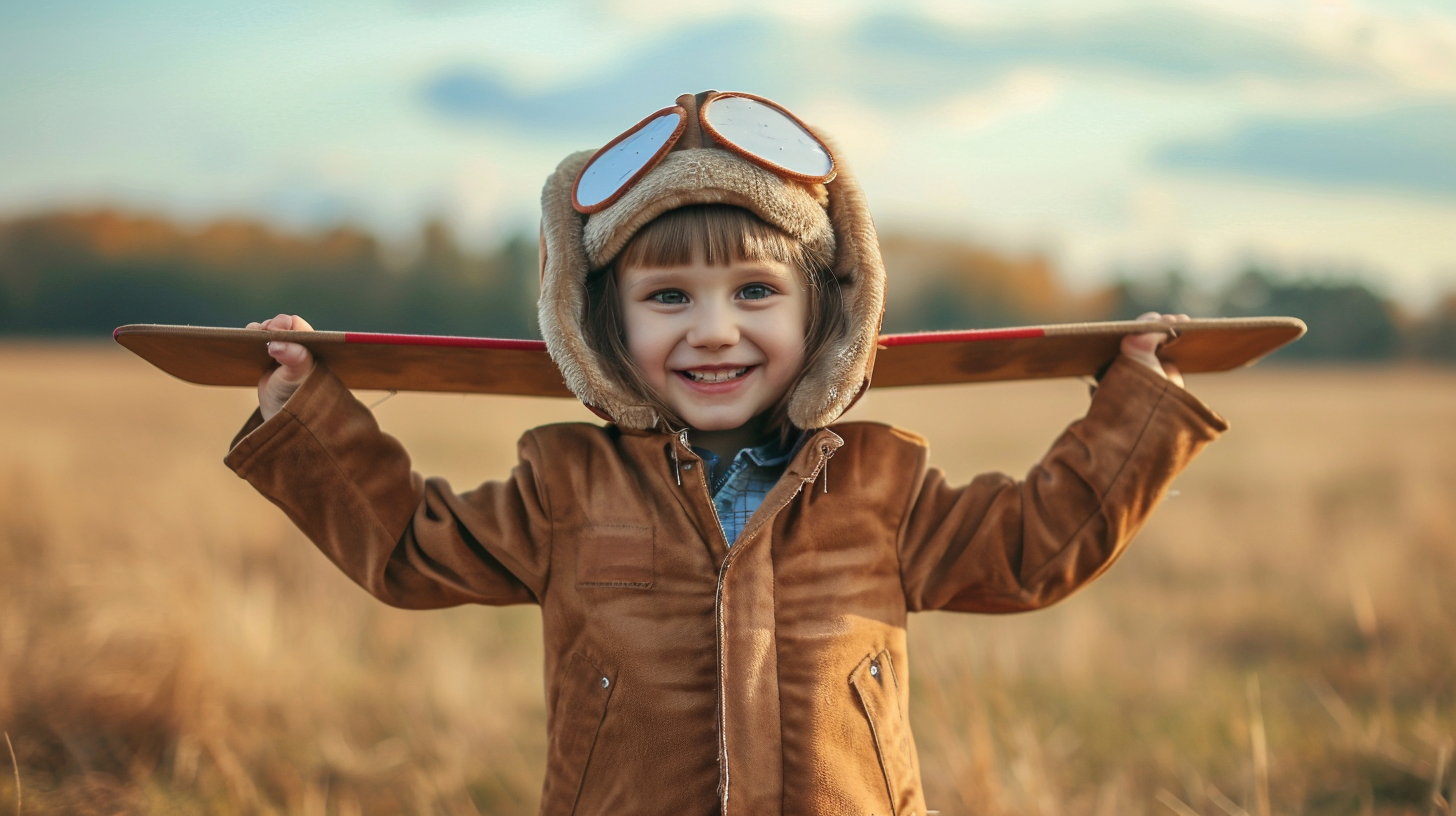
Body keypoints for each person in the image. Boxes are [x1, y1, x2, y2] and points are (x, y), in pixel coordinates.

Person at [228, 91, 1226, 815]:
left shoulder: (879, 488)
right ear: (605, 327)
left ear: (824, 312)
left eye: (754, 293)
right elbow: (407, 544)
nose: (713, 331)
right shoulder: (568, 489)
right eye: (669, 299)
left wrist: (1136, 406)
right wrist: (303, 417)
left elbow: (1028, 548)